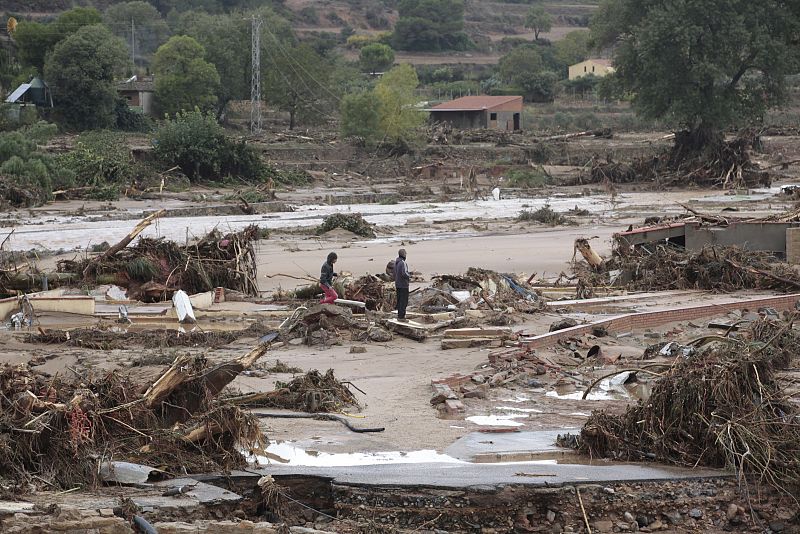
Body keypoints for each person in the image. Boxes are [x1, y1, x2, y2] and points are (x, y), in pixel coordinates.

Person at [393, 248, 410, 321]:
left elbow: (394, 273)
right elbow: (404, 273)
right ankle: (402, 317)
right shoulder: (402, 262)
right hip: (403, 285)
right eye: (405, 253)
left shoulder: (396, 263)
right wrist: (410, 276)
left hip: (397, 284)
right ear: (403, 254)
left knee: (399, 300)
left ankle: (400, 315)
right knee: (404, 301)